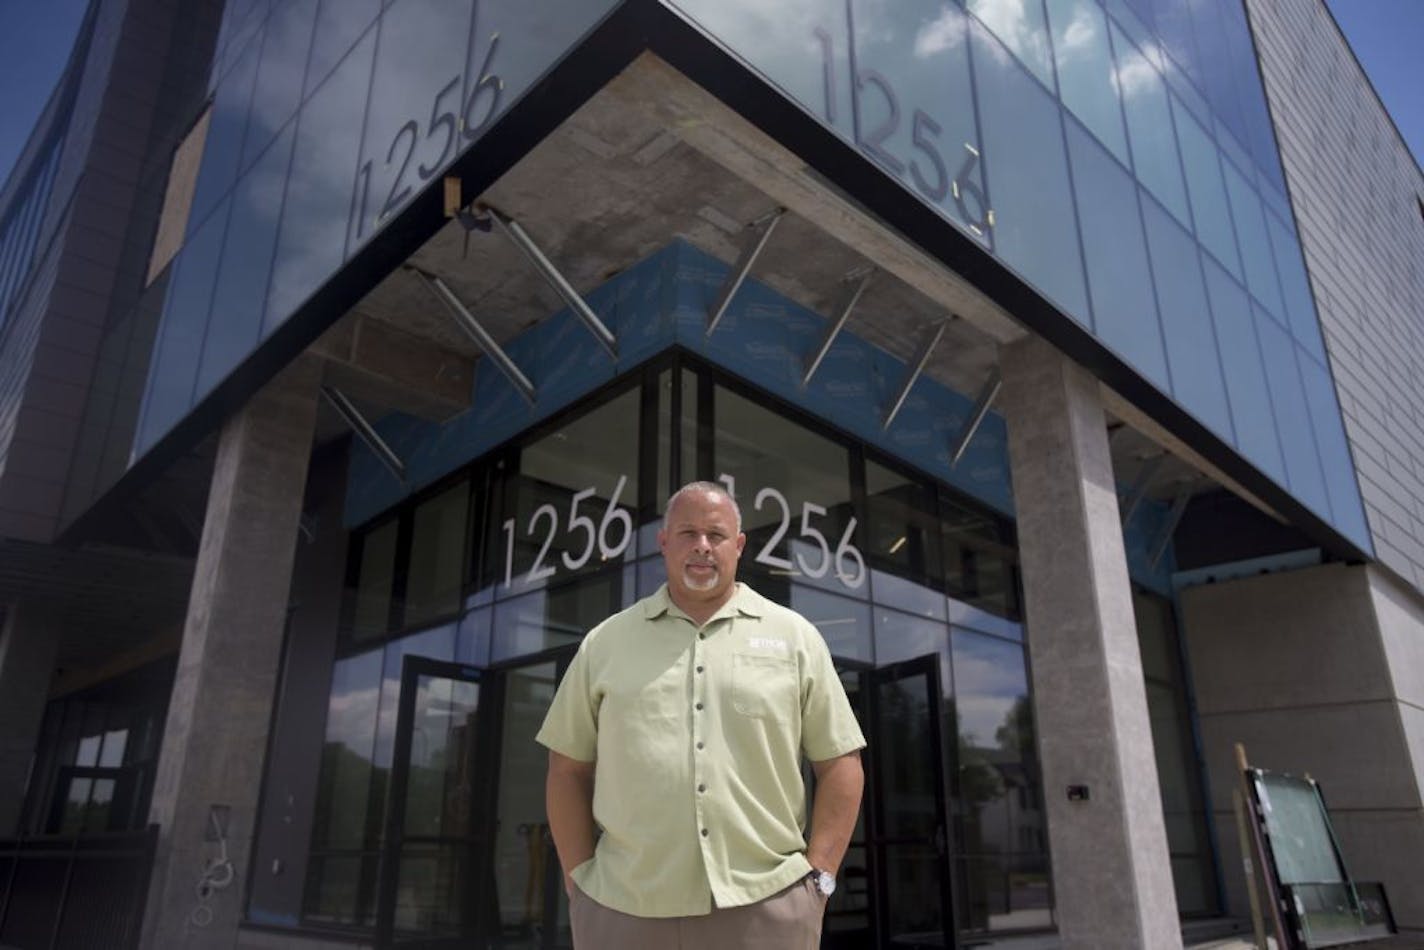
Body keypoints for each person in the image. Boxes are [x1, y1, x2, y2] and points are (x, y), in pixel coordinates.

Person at [535, 481, 866, 949]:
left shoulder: (796, 638)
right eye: (688, 532)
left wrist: (819, 881)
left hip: (767, 909)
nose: (703, 546)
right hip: (623, 910)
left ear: (739, 545)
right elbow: (566, 769)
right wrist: (579, 885)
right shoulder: (604, 643)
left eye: (716, 533)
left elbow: (841, 765)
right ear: (663, 542)